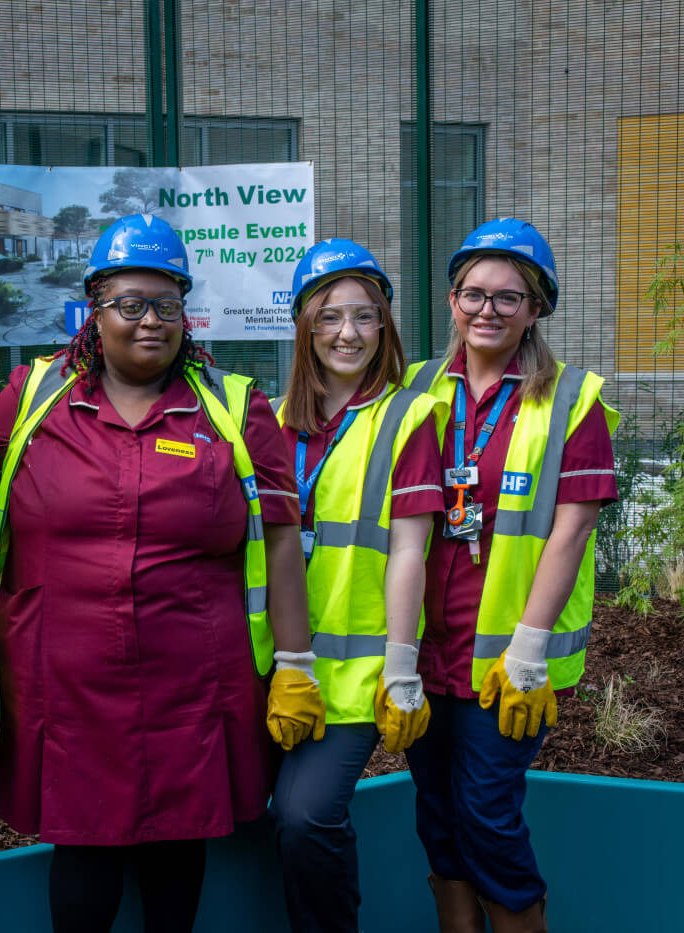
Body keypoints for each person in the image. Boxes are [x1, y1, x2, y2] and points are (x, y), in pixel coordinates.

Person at [0, 213, 322, 933]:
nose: (149, 321)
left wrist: (294, 662)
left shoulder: (233, 408)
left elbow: (283, 539)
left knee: (176, 848)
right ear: (94, 309)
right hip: (66, 680)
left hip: (191, 680)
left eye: (166, 304)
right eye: (129, 303)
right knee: (82, 859)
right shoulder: (33, 397)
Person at [402, 219, 619, 933]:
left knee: (488, 815)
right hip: (431, 649)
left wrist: (529, 651)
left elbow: (573, 527)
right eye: (473, 293)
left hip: (506, 661)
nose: (487, 310)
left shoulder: (570, 399)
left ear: (537, 307)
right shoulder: (415, 388)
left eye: (508, 296)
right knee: (436, 813)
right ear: (451, 301)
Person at [268, 240, 446, 933]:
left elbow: (410, 552)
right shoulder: (270, 423)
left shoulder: (409, 418)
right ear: (304, 327)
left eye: (366, 317)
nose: (348, 333)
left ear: (385, 326)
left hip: (350, 674)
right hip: (267, 665)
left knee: (307, 816)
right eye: (330, 317)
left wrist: (402, 671)